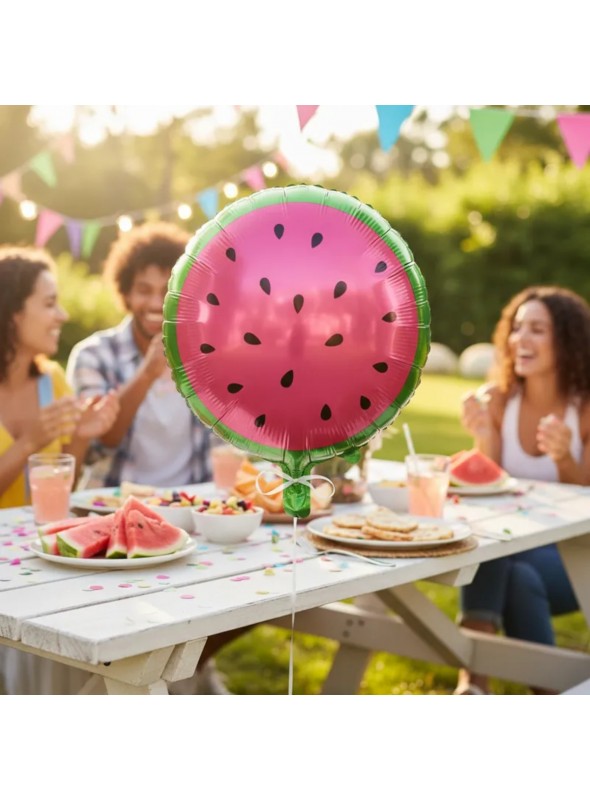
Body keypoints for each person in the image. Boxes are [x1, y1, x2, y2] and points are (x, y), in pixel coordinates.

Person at [66, 222, 245, 693]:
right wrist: (147, 374)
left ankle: (187, 666)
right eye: (143, 289)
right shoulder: (94, 355)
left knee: (259, 589)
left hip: (191, 515)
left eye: (167, 290)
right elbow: (102, 439)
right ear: (124, 293)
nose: (154, 302)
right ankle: (163, 678)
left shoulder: (209, 353)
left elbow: (235, 430)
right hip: (114, 518)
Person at [454, 285, 590, 695]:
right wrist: (483, 436)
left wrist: (566, 458)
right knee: (512, 568)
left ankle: (473, 681)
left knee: (499, 553)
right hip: (514, 551)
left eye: (537, 329)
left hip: (576, 557)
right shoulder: (498, 400)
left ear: (566, 340)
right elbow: (488, 482)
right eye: (516, 328)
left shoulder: (584, 409)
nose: (520, 339)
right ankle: (540, 697)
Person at [0, 245, 119, 693]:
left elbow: (57, 481)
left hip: (39, 561)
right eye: (49, 304)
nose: (62, 315)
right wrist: (28, 441)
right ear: (11, 312)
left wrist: (84, 435)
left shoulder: (52, 382)